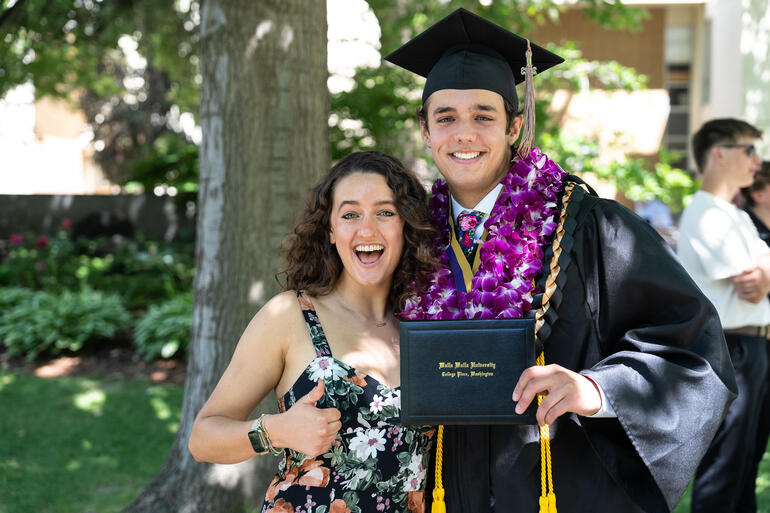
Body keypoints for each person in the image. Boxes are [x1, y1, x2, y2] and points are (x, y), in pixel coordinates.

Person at [385, 8, 737, 513]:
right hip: (443, 491)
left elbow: (693, 344)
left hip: (559, 488)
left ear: (515, 125)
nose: (463, 134)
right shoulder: (409, 234)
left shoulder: (591, 226)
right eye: (446, 118)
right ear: (425, 130)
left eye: (484, 115)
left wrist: (596, 387)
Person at [188, 151, 438, 513]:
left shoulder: (426, 325)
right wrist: (276, 430)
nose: (367, 229)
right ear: (331, 230)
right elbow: (203, 438)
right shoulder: (290, 315)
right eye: (350, 214)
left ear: (406, 225)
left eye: (385, 212)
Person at [677, 120, 770, 513]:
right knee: (725, 468)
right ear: (719, 153)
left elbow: (761, 275)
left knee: (745, 463)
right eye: (749, 150)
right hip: (730, 349)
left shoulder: (735, 214)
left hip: (751, 346)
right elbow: (750, 282)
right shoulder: (707, 213)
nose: (758, 160)